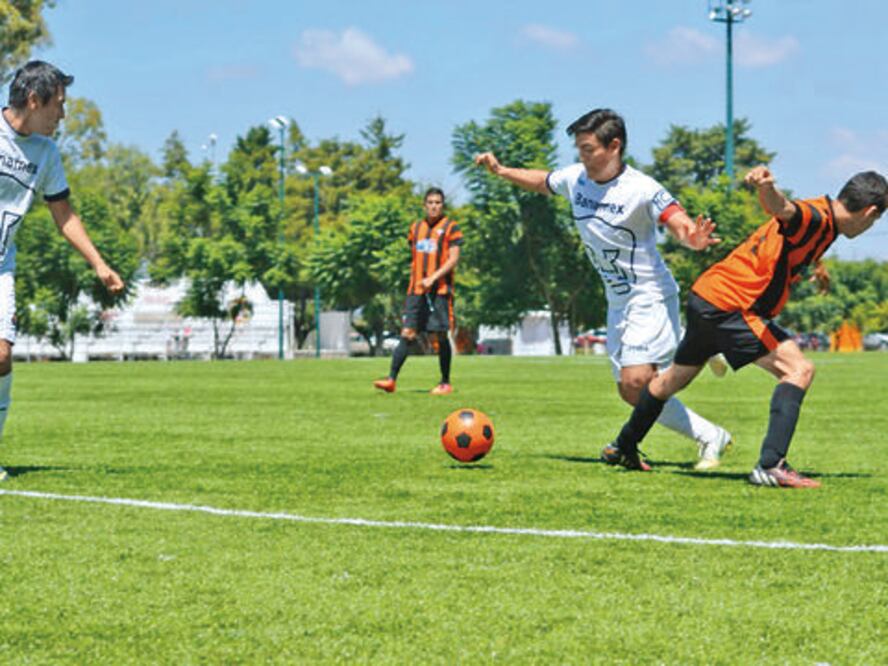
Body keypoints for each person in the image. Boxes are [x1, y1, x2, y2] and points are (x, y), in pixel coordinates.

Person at [474, 108, 732, 469]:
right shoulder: (576, 179)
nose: (582, 157)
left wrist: (693, 239)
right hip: (618, 303)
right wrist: (501, 171)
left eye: (589, 149)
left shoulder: (642, 188)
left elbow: (677, 221)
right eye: (579, 149)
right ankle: (709, 431)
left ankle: (696, 346)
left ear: (615, 146)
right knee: (631, 392)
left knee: (637, 377)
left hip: (650, 295)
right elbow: (542, 181)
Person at [607, 166, 887, 487]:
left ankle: (622, 446)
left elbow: (794, 237)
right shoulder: (814, 217)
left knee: (669, 381)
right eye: (877, 220)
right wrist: (766, 187)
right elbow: (782, 209)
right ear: (870, 211)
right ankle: (771, 465)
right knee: (798, 370)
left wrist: (817, 267)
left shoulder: (824, 222)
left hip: (707, 296)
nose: (872, 226)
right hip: (731, 305)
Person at [0, 61, 125, 481]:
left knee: (0, 356)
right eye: (59, 106)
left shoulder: (47, 153)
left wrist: (99, 263)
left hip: (2, 268)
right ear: (34, 101)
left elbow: (64, 215)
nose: (63, 116)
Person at [373, 187, 462, 395]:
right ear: (424, 205)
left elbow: (453, 258)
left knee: (440, 335)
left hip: (440, 290)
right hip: (416, 290)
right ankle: (391, 379)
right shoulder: (415, 228)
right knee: (407, 333)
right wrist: (420, 278)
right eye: (430, 202)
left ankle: (445, 382)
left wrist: (433, 277)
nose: (434, 206)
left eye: (438, 202)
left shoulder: (451, 227)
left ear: (443, 205)